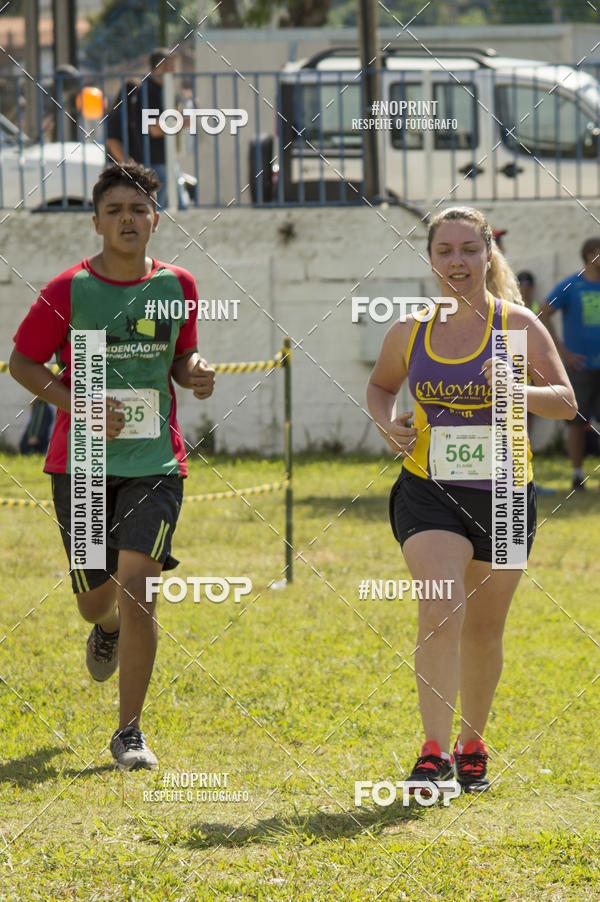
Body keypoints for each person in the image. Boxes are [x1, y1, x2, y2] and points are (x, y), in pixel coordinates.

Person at [9, 163, 215, 770]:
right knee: (96, 600)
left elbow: (181, 358)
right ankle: (106, 630)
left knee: (139, 590)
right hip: (82, 463)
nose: (128, 219)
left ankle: (129, 732)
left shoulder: (178, 284)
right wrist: (79, 403)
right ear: (97, 222)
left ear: (156, 218)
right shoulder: (69, 290)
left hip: (156, 461)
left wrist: (196, 372)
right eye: (115, 210)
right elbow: (23, 363)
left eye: (139, 209)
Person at [367, 206, 576, 794]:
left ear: (488, 254)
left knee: (484, 629)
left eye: (468, 249)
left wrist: (517, 389)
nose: (456, 261)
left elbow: (566, 401)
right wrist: (386, 422)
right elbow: (381, 386)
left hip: (505, 495)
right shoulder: (410, 330)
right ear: (431, 259)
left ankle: (472, 744)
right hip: (428, 491)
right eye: (444, 251)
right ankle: (432, 752)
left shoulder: (517, 326)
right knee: (440, 609)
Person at [539, 237, 600, 490]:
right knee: (576, 420)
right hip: (579, 367)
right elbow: (543, 312)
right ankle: (577, 475)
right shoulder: (571, 284)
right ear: (590, 255)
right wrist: (562, 352)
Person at [135, 48, 188, 210]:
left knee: (180, 207)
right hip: (155, 159)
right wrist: (182, 122)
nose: (174, 72)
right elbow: (155, 129)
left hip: (167, 157)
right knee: (159, 208)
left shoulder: (165, 90)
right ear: (160, 67)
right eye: (171, 67)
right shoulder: (148, 91)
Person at [105, 79, 142, 165]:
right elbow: (112, 141)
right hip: (120, 167)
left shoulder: (127, 114)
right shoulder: (119, 115)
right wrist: (129, 163)